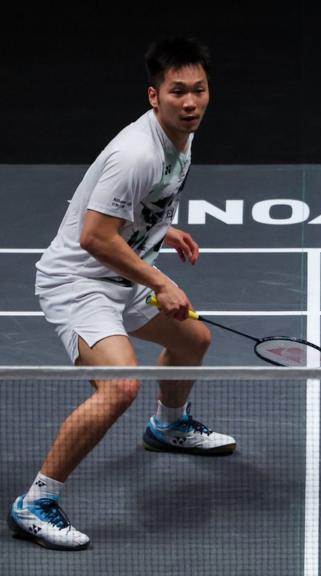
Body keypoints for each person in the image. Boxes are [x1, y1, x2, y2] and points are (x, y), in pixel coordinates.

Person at [8, 37, 236, 551]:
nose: (191, 102)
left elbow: (133, 207)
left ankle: (168, 426)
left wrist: (159, 232)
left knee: (192, 341)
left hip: (122, 273)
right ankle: (35, 502)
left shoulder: (181, 135)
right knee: (119, 388)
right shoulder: (136, 153)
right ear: (154, 96)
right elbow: (93, 236)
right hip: (80, 282)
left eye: (199, 90)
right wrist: (160, 279)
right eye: (177, 91)